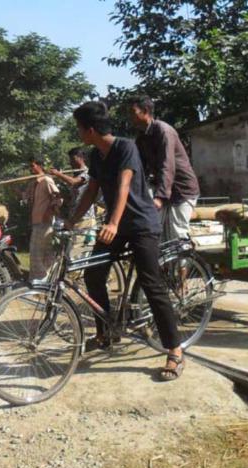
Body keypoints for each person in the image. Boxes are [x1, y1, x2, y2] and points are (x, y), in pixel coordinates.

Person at [66, 101, 185, 381]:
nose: (79, 133)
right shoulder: (96, 155)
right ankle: (105, 332)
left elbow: (124, 186)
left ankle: (175, 350)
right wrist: (71, 219)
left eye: (79, 128)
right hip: (116, 226)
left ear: (90, 129)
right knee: (93, 274)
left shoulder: (126, 147)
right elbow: (91, 190)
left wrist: (113, 223)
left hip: (141, 224)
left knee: (151, 284)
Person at [128, 95, 200, 241]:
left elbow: (167, 166)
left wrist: (160, 197)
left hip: (182, 190)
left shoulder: (163, 131)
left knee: (177, 234)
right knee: (157, 234)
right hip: (165, 190)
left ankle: (184, 264)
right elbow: (139, 167)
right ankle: (165, 265)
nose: (130, 117)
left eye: (132, 112)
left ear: (146, 111)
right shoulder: (142, 136)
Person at [25, 157, 63, 281]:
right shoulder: (33, 182)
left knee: (35, 251)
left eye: (33, 166)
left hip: (44, 221)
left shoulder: (47, 180)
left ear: (40, 166)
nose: (31, 169)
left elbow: (58, 198)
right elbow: (27, 197)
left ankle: (38, 280)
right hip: (36, 220)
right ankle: (49, 279)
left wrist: (49, 211)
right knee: (46, 252)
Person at [48, 147, 97, 233]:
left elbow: (73, 182)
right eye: (70, 160)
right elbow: (72, 200)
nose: (71, 162)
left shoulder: (87, 172)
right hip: (74, 219)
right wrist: (61, 195)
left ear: (82, 158)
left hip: (85, 219)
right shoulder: (75, 175)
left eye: (73, 159)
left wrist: (58, 174)